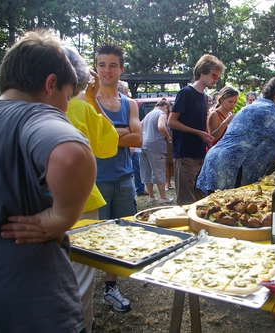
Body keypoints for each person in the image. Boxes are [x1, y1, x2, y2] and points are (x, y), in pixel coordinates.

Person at [0, 30, 96, 333]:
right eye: (67, 95)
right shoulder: (37, 115)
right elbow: (71, 155)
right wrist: (60, 217)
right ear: (51, 84)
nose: (65, 107)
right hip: (34, 306)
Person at [61, 43, 119, 333]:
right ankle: (82, 325)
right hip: (81, 205)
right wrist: (92, 101)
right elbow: (109, 144)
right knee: (80, 281)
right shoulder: (80, 107)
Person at [196, 73, 275, 193]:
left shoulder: (259, 105)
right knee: (223, 208)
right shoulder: (268, 110)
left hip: (223, 164)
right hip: (229, 168)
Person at [95, 43, 142, 311]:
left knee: (119, 236)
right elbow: (90, 142)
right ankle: (83, 296)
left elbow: (140, 138)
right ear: (96, 68)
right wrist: (122, 131)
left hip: (125, 178)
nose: (107, 70)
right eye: (102, 64)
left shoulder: (130, 103)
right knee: (93, 239)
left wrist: (111, 135)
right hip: (96, 180)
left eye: (113, 65)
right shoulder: (86, 101)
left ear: (121, 69)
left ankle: (110, 289)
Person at [168, 54, 224, 205]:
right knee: (185, 202)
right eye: (214, 75)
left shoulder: (204, 96)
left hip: (200, 154)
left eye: (218, 76)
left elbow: (201, 126)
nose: (216, 78)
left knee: (200, 201)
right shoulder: (185, 93)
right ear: (202, 73)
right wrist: (198, 133)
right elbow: (171, 121)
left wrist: (209, 145)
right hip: (185, 154)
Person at [140, 99, 173, 203]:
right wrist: (168, 137)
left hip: (143, 145)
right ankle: (163, 197)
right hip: (155, 146)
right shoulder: (161, 114)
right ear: (165, 107)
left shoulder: (149, 114)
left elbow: (139, 125)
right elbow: (161, 126)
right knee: (159, 171)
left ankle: (151, 196)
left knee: (147, 171)